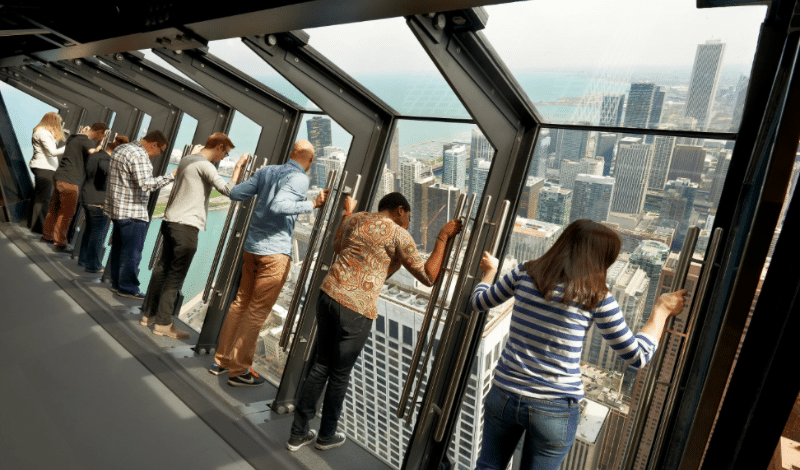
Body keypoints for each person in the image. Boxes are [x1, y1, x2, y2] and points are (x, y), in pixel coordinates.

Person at [469, 219, 688, 470]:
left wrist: (490, 271)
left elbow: (478, 302)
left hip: (505, 395)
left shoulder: (524, 273)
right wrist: (661, 309)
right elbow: (638, 356)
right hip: (554, 408)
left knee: (487, 467)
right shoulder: (597, 298)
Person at [287, 191, 463, 452]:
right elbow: (429, 276)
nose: (408, 223)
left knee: (320, 365)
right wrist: (442, 237)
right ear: (400, 210)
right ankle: (326, 436)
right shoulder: (398, 234)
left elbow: (338, 246)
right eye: (408, 217)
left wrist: (347, 213)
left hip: (328, 294)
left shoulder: (355, 219)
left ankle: (297, 434)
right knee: (338, 375)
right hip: (356, 308)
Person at [209, 140, 328, 386]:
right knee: (256, 311)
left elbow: (235, 193)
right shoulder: (299, 178)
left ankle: (221, 361)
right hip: (274, 254)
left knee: (240, 303)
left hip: (252, 249)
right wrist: (313, 204)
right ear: (310, 160)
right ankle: (239, 371)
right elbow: (279, 205)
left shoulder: (266, 171)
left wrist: (239, 170)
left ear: (291, 152)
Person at [140, 133, 247, 339]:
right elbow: (228, 191)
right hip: (187, 226)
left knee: (161, 269)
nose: (223, 158)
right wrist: (237, 170)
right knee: (175, 276)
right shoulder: (206, 165)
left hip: (170, 221)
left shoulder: (188, 159)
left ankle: (149, 315)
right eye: (225, 153)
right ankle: (163, 324)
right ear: (218, 146)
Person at [105, 130, 175, 300]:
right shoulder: (139, 155)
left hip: (117, 209)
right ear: (153, 144)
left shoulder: (122, 149)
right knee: (132, 253)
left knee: (118, 249)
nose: (159, 154)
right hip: (133, 212)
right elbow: (146, 184)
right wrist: (171, 176)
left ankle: (116, 283)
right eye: (161, 150)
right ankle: (128, 288)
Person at [42, 122, 108, 252]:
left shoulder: (74, 138)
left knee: (54, 207)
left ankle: (47, 235)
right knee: (67, 211)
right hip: (70, 180)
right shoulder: (86, 141)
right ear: (100, 132)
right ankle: (60, 242)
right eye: (102, 136)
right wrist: (101, 144)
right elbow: (93, 153)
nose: (99, 139)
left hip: (59, 176)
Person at [77, 134, 129, 273]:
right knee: (97, 234)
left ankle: (83, 259)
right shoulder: (106, 159)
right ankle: (93, 265)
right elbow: (106, 169)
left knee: (89, 231)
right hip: (99, 201)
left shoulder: (95, 155)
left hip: (86, 197)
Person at [29, 112, 66, 234]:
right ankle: (38, 228)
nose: (59, 126)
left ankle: (33, 225)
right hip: (44, 168)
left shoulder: (39, 132)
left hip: (41, 167)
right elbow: (52, 152)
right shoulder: (44, 133)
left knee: (39, 198)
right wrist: (69, 146)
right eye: (58, 123)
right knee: (44, 199)